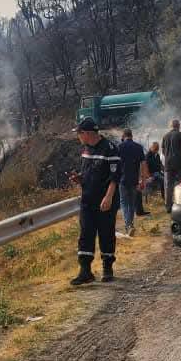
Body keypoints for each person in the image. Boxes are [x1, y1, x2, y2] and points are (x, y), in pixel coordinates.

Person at [68, 117, 121, 286]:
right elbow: (89, 173)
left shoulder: (110, 149)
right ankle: (85, 271)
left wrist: (108, 197)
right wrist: (79, 178)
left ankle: (107, 268)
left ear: (87, 133)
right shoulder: (86, 149)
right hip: (87, 200)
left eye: (79, 133)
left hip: (105, 200)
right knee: (86, 234)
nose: (78, 136)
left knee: (106, 233)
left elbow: (115, 177)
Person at [118, 129, 149, 236]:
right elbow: (143, 165)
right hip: (134, 179)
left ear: (123, 136)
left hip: (122, 179)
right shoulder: (138, 147)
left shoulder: (119, 147)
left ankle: (128, 225)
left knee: (124, 203)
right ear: (132, 135)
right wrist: (143, 180)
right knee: (131, 203)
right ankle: (130, 224)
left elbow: (115, 164)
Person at [161, 118, 181, 213]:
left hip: (168, 164)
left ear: (171, 126)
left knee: (168, 186)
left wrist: (168, 157)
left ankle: (168, 207)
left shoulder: (165, 136)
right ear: (178, 126)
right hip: (179, 163)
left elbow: (163, 151)